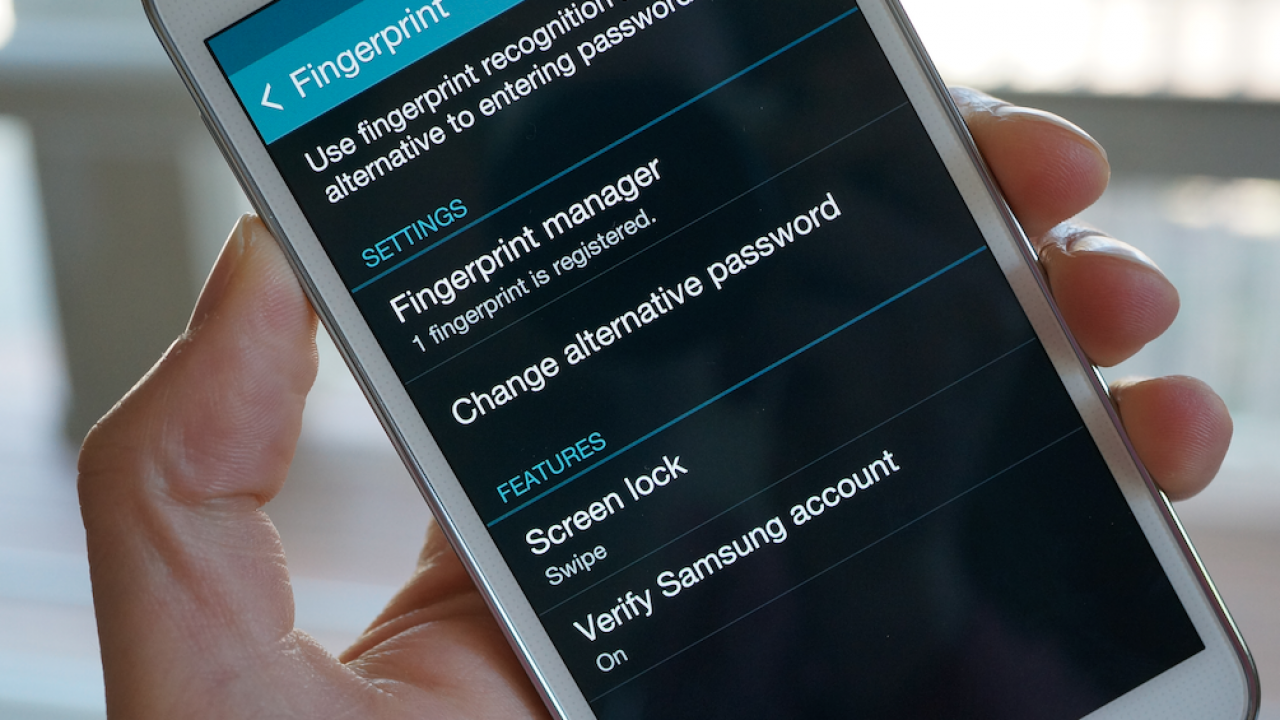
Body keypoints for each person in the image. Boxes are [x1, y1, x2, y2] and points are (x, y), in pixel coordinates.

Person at [77, 90, 1232, 718]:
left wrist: (906, 539)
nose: (644, 234)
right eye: (554, 190)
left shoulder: (816, 558)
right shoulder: (646, 617)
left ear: (775, 176)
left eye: (683, 169)